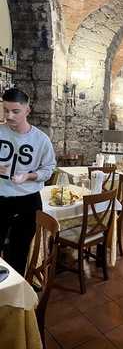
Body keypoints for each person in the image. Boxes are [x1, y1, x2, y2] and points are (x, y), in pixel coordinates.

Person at [0, 88, 56, 275]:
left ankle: (13, 298)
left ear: (27, 111)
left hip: (28, 200)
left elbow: (48, 170)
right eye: (5, 110)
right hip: (0, 198)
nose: (9, 116)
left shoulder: (41, 140)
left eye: (15, 111)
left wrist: (28, 176)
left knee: (18, 252)